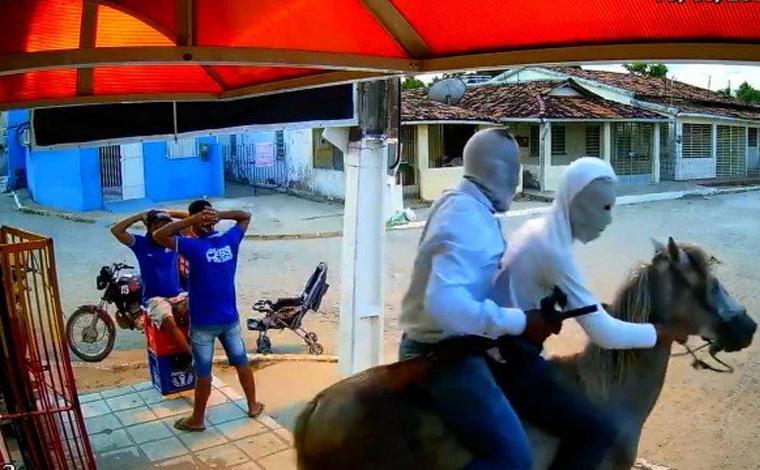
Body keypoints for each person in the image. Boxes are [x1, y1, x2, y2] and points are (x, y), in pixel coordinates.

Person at [490, 157, 689, 470]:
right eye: (603, 208)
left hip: (499, 345)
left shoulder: (539, 230)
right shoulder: (554, 251)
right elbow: (604, 333)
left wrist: (596, 309)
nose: (608, 220)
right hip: (509, 358)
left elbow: (574, 301)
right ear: (578, 204)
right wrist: (661, 333)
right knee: (597, 433)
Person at [398, 128, 558, 469]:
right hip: (442, 354)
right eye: (515, 170)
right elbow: (446, 306)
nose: (517, 180)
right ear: (498, 170)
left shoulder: (464, 204)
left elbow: (475, 284)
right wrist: (521, 321)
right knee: (513, 459)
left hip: (454, 343)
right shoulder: (466, 216)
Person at [154, 200, 264, 431]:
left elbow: (159, 235)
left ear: (194, 225)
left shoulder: (193, 247)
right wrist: (220, 215)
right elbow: (245, 215)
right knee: (241, 362)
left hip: (203, 323)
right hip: (230, 319)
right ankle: (253, 405)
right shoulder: (229, 240)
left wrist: (190, 220)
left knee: (203, 372)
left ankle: (198, 419)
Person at [111, 209, 190, 354]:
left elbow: (191, 219)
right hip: (154, 299)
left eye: (166, 225)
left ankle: (191, 349)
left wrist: (170, 213)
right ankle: (190, 357)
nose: (163, 228)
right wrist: (138, 216)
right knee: (168, 320)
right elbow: (116, 230)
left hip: (178, 295)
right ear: (150, 227)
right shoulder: (141, 244)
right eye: (159, 225)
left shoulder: (173, 240)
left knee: (201, 308)